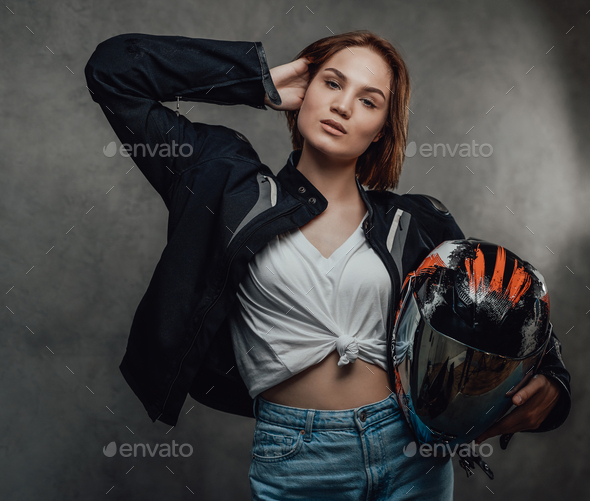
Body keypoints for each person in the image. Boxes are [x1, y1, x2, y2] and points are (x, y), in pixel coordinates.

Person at [84, 30, 571, 500]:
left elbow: (502, 309)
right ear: (306, 89)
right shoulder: (224, 184)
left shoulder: (415, 220)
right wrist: (255, 81)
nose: (342, 105)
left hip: (411, 453)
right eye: (332, 83)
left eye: (368, 100)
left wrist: (554, 380)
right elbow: (113, 70)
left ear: (382, 129)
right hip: (298, 453)